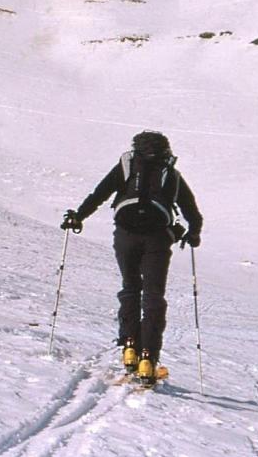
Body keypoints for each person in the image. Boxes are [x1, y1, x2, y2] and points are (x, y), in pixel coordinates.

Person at [61, 130, 202, 385]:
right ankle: (148, 358)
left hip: (125, 236)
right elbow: (192, 213)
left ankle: (129, 347)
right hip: (157, 239)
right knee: (153, 296)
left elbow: (99, 195)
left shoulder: (126, 167)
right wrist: (193, 234)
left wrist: (78, 217)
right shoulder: (171, 174)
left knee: (130, 288)